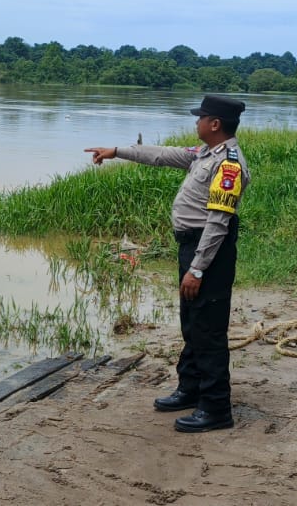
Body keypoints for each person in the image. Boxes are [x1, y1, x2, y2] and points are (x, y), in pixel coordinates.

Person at [84, 95, 250, 433]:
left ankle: (216, 408)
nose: (196, 122)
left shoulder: (229, 164)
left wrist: (198, 268)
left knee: (208, 329)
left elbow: (218, 222)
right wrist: (116, 151)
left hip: (209, 251)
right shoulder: (204, 153)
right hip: (192, 246)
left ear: (214, 124)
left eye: (200, 117)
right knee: (191, 322)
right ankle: (191, 389)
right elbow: (159, 154)